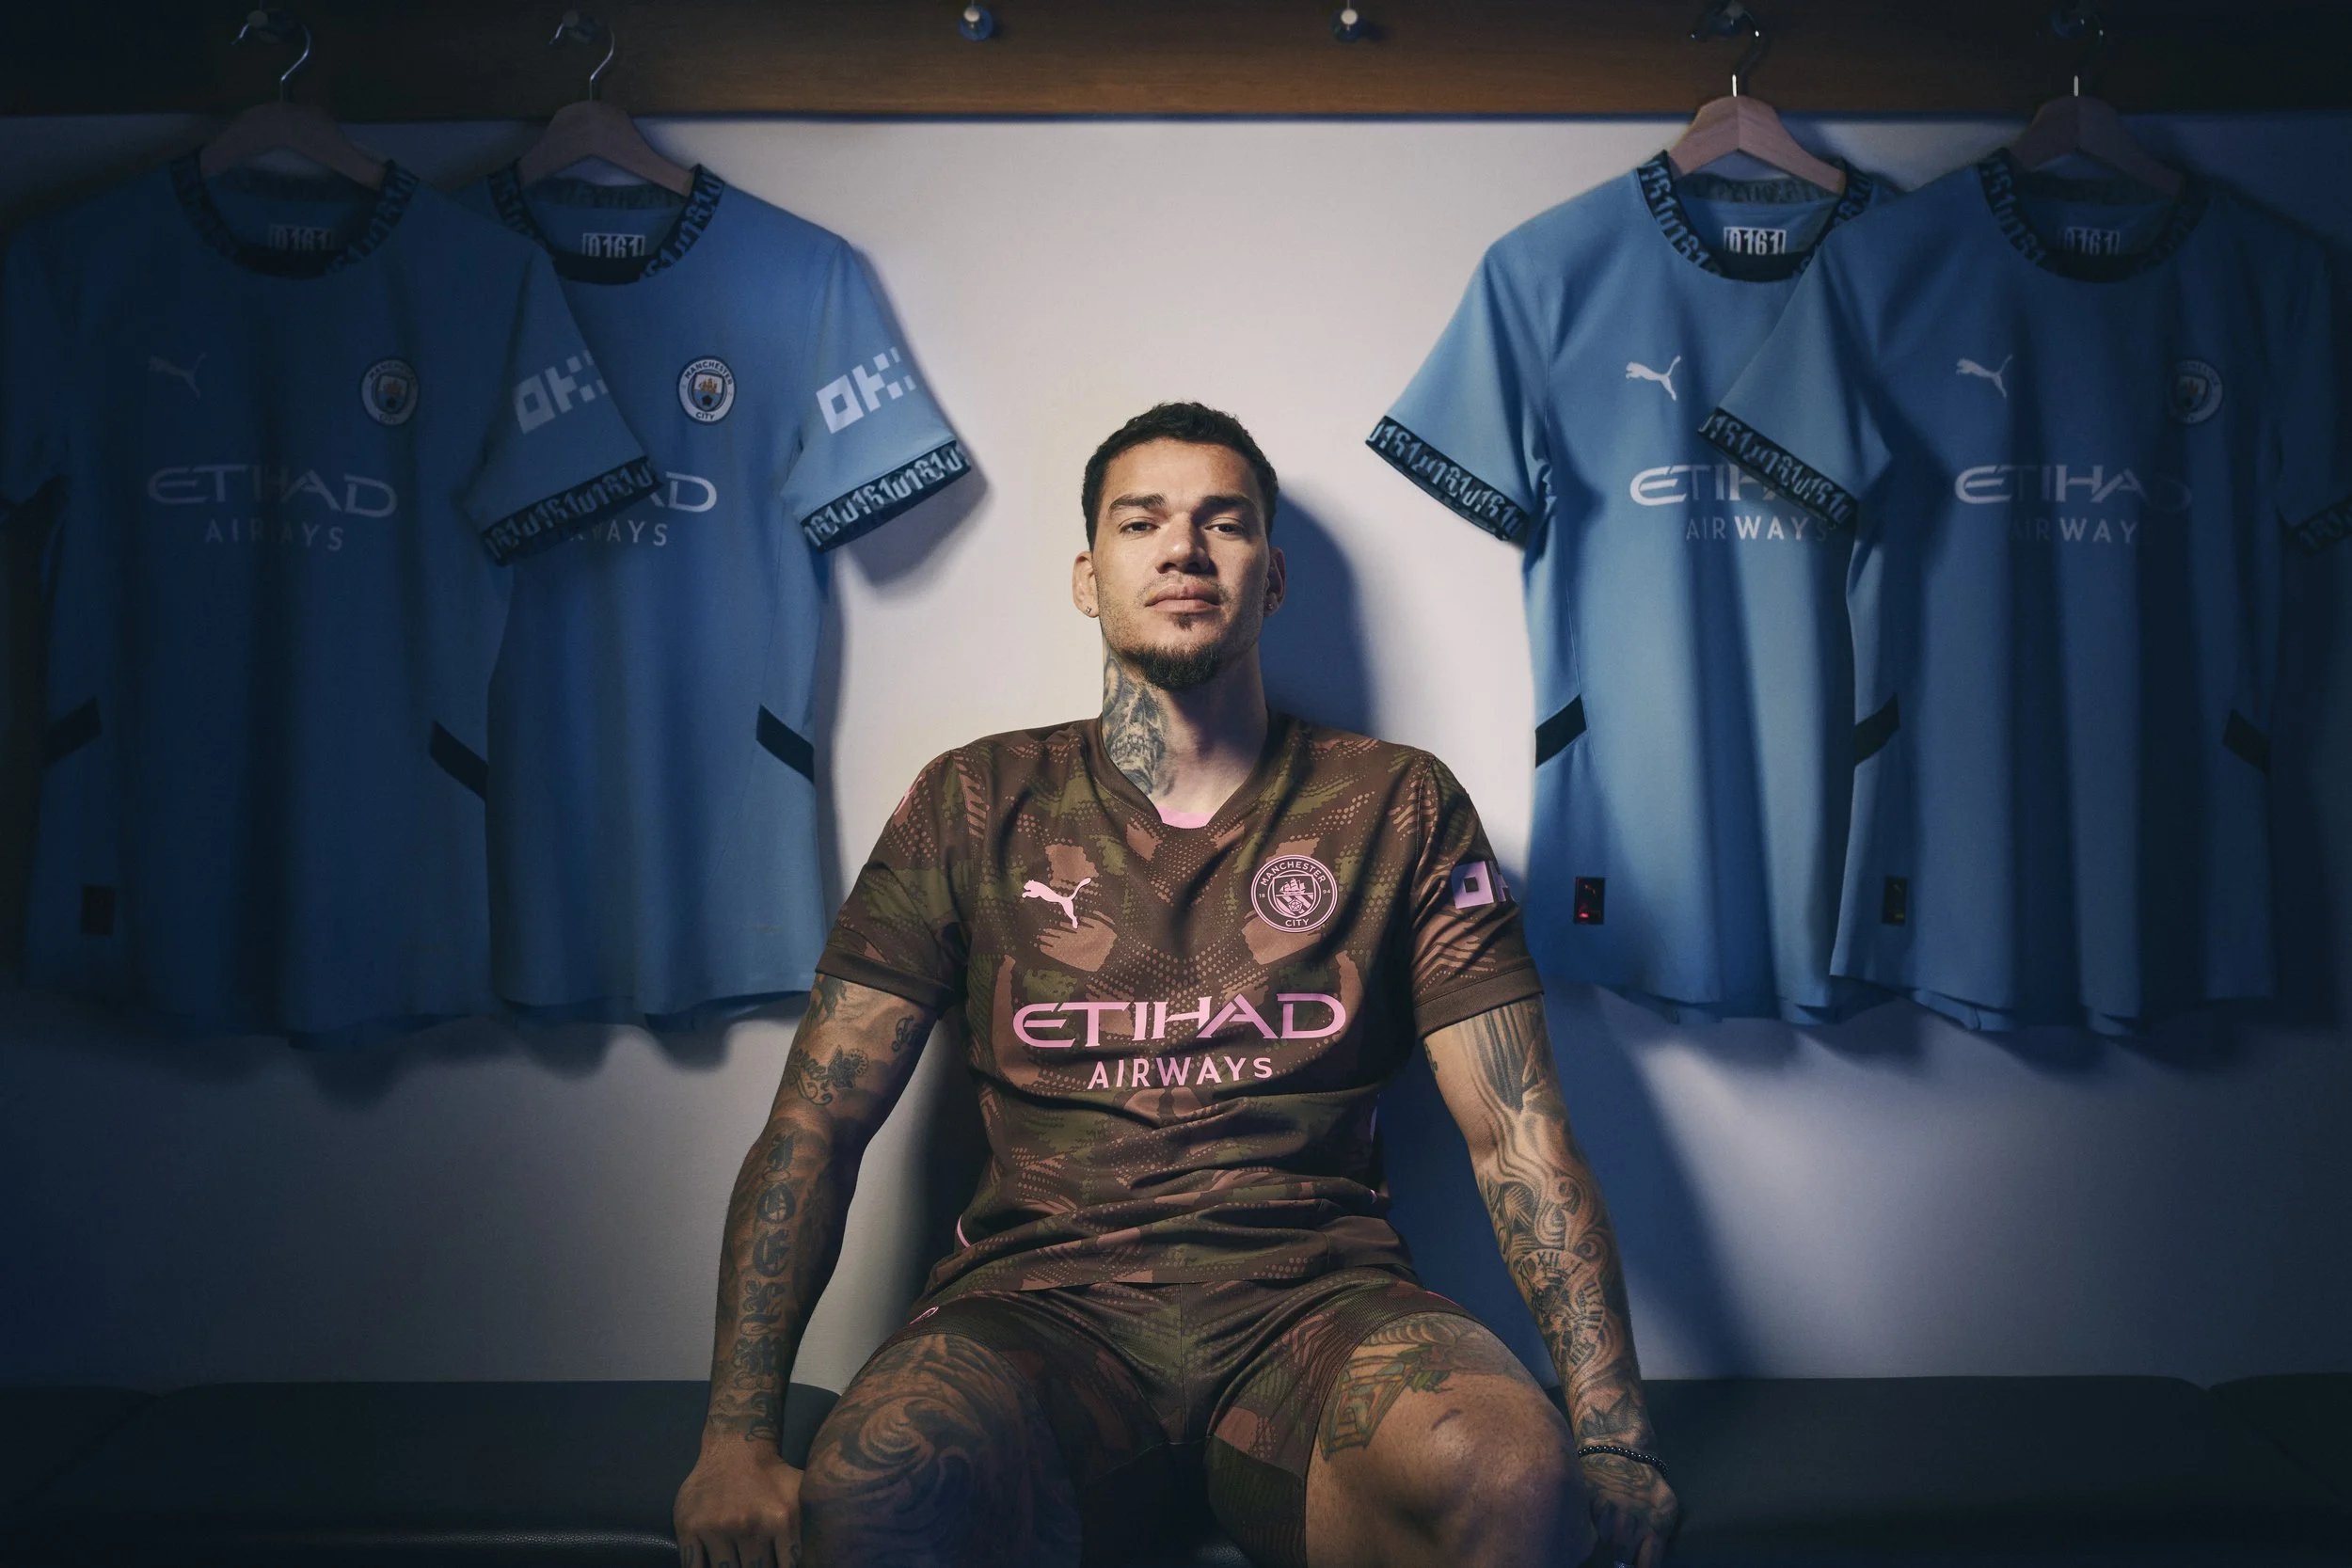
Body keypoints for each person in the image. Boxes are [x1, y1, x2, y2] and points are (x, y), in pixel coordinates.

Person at [673, 403, 1682, 1568]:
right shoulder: (972, 801)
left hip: (1314, 1312)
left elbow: (1519, 1135)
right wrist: (735, 1439)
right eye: (1140, 520)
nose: (1183, 548)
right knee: (875, 1483)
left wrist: (1614, 1439)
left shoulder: (1395, 803)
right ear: (1087, 575)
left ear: (1272, 576)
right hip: (1042, 1314)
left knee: (1511, 1473)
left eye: (1225, 521)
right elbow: (816, 1124)